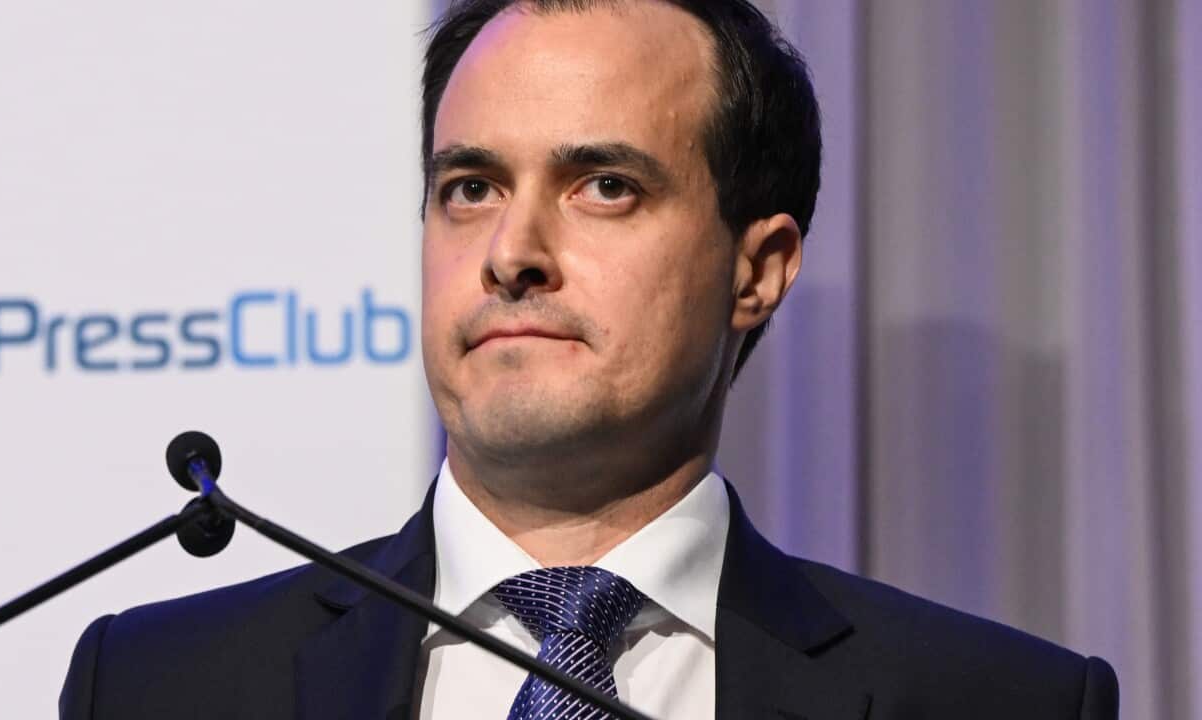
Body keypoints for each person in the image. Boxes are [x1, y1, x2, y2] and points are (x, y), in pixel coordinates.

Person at [59, 1, 1119, 718]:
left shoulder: (991, 699)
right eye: (469, 187)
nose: (511, 255)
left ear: (758, 268)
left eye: (603, 186)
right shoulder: (160, 686)